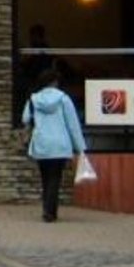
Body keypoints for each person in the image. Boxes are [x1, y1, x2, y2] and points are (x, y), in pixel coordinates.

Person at [20, 67, 87, 221]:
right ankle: (50, 212)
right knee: (55, 178)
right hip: (60, 145)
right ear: (55, 82)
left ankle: (47, 209)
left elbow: (25, 119)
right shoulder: (64, 99)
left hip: (41, 144)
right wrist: (80, 148)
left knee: (45, 178)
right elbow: (73, 124)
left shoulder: (33, 99)